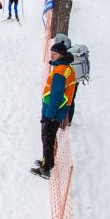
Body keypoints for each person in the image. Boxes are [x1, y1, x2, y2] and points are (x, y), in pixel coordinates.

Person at [31, 42, 77, 179]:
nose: (52, 55)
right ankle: (47, 161)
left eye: (55, 54)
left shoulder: (60, 71)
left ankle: (46, 169)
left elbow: (56, 95)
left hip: (53, 112)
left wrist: (49, 114)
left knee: (47, 138)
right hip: (58, 110)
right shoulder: (67, 69)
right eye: (51, 53)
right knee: (49, 138)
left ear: (62, 55)